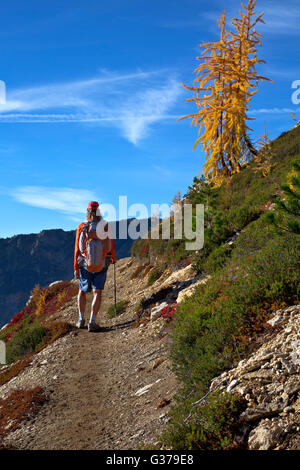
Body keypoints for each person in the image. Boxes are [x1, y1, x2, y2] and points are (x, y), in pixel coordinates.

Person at [74, 201, 117, 332]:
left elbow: (77, 248)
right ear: (99, 212)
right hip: (101, 264)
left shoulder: (82, 227)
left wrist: (76, 267)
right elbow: (110, 246)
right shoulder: (104, 226)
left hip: (85, 265)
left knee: (82, 291)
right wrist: (113, 258)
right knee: (97, 292)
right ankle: (92, 321)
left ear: (87, 212)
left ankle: (81, 320)